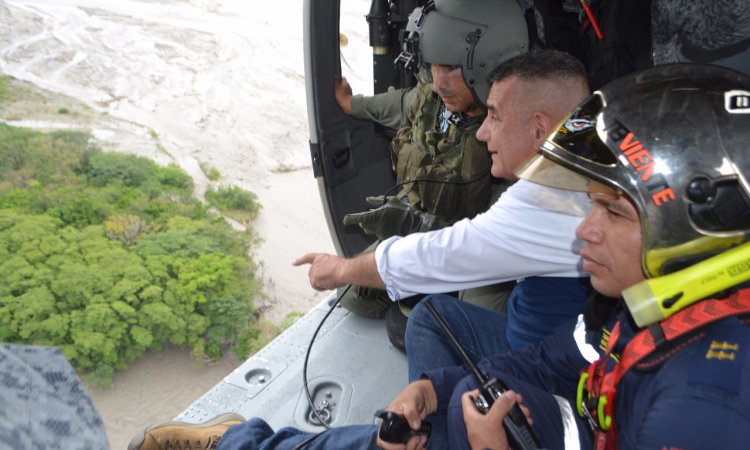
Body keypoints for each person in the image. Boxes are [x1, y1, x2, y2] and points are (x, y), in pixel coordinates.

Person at [134, 63, 750, 450]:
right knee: (429, 345)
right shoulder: (648, 303)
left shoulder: (700, 414)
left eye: (611, 213)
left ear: (689, 224)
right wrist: (434, 387)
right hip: (556, 415)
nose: (585, 231)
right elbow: (556, 358)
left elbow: (438, 255)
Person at [296, 50, 593, 364]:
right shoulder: (592, 164)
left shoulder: (544, 206)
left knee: (438, 322)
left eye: (495, 117)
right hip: (562, 327)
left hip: (554, 366)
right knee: (407, 311)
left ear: (539, 130)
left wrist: (343, 268)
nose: (483, 132)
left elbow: (441, 256)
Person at [334, 0, 529, 320]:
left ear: (487, 65)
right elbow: (398, 105)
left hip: (477, 245)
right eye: (434, 66)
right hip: (426, 220)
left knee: (477, 325)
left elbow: (500, 233)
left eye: (450, 67)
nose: (439, 82)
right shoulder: (436, 100)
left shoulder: (517, 131)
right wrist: (351, 105)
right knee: (355, 297)